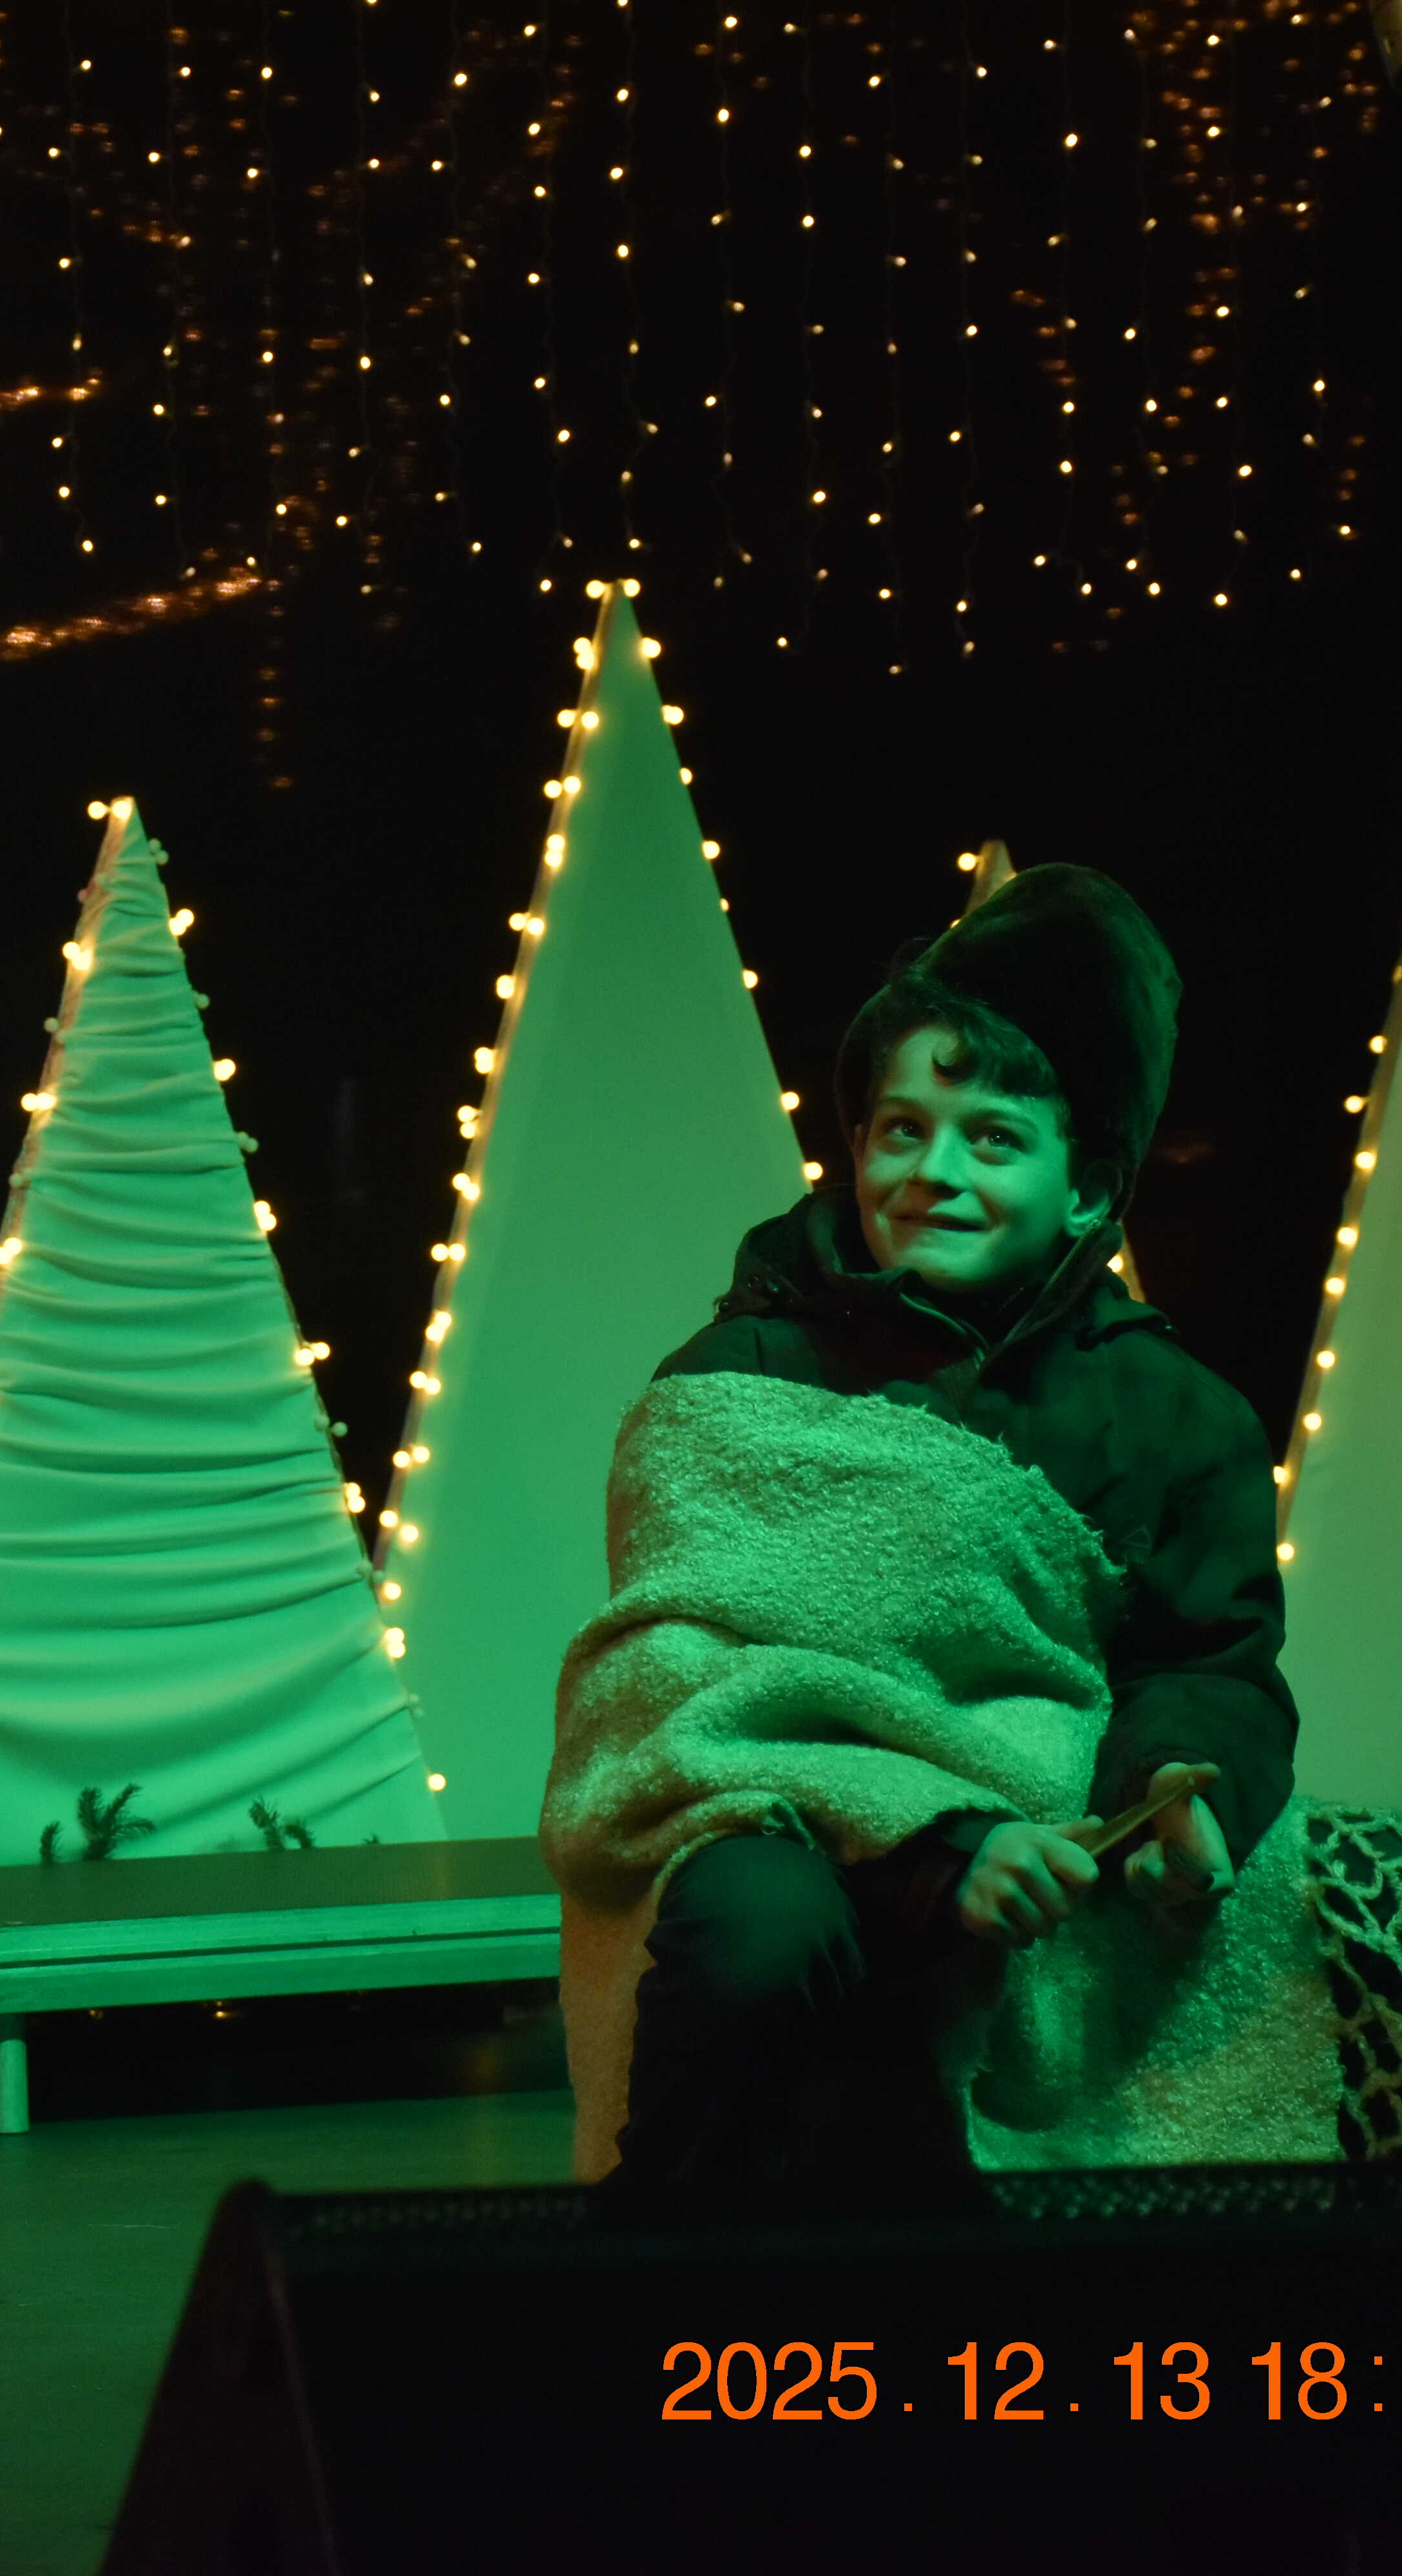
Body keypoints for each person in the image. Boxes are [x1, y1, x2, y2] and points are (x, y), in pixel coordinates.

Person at [575, 864, 1294, 2206]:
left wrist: (1186, 1795)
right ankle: (655, 2281)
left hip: (1047, 1841)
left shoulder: (1179, 1415)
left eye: (992, 1139)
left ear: (1087, 1188)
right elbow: (684, 1685)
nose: (933, 1172)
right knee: (756, 1927)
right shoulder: (737, 1380)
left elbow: (1209, 1661)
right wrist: (930, 1840)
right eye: (901, 1130)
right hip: (791, 1828)